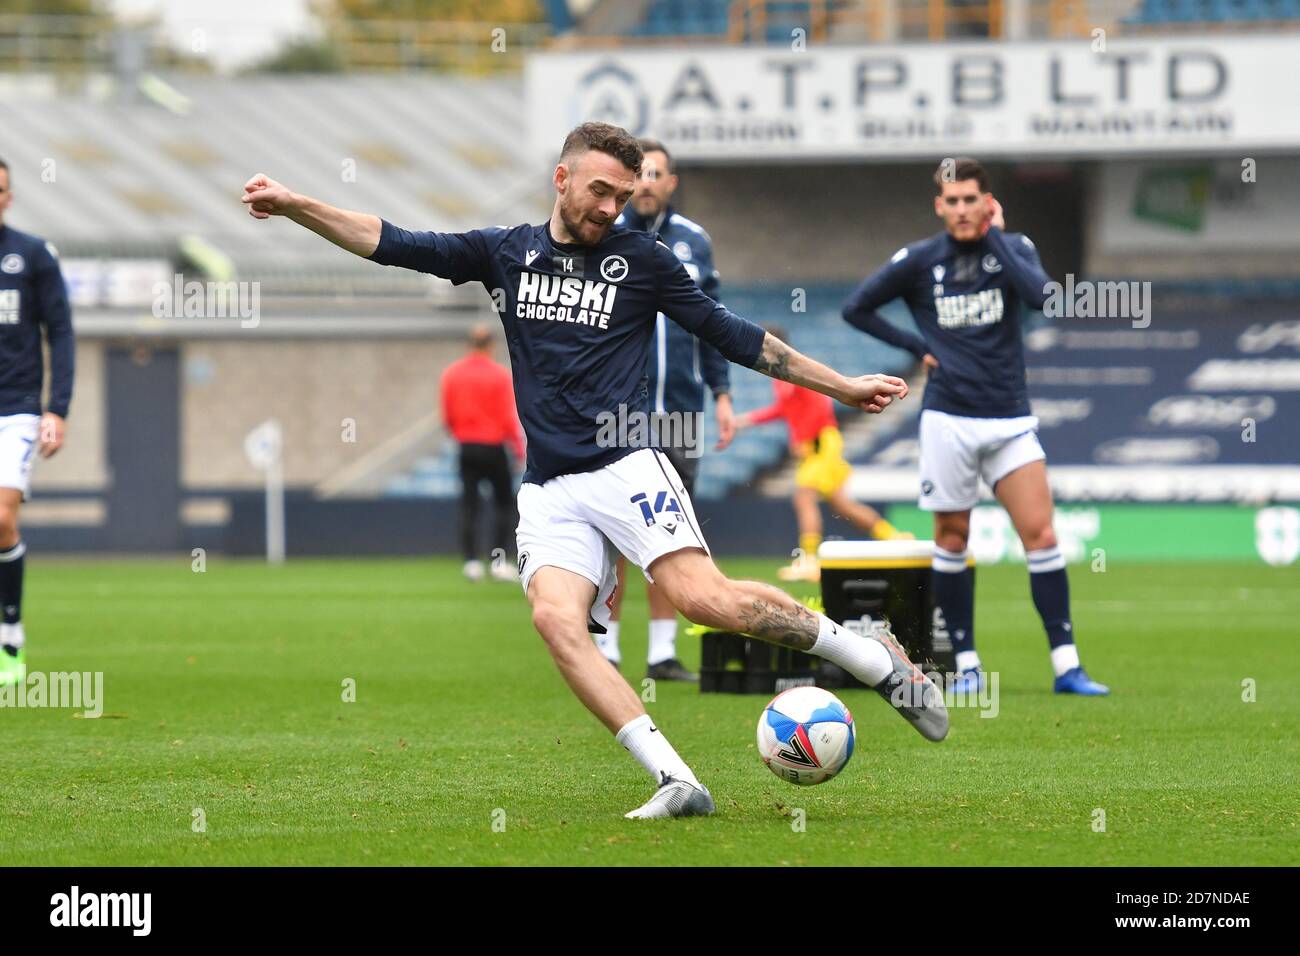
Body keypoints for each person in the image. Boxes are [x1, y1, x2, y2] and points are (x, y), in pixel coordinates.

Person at [242, 121, 948, 820]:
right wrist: (298, 203)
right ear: (562, 178)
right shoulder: (504, 253)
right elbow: (391, 242)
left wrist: (842, 387)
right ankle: (677, 780)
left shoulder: (643, 260)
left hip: (627, 466)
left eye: (624, 195)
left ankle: (871, 659)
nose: (612, 207)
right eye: (602, 191)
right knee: (555, 621)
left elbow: (733, 335)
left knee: (706, 602)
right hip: (549, 488)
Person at [841, 157, 1108, 696]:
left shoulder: (1014, 249)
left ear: (987, 203)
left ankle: (1067, 666)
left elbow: (1042, 298)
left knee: (1042, 535)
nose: (962, 209)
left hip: (1010, 419)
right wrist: (918, 347)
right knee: (952, 539)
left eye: (972, 199)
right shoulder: (919, 260)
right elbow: (858, 307)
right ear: (940, 206)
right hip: (948, 419)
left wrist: (1000, 237)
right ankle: (966, 665)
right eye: (953, 200)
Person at [602, 137, 735, 682]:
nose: (650, 182)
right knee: (612, 533)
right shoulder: (606, 236)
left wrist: (723, 393)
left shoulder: (694, 242)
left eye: (659, 173)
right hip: (617, 410)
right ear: (631, 180)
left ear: (671, 182)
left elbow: (713, 320)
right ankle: (605, 645)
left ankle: (662, 653)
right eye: (643, 173)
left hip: (681, 410)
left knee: (671, 532)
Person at [733, 324, 912, 583]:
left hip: (821, 443)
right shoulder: (780, 380)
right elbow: (783, 410)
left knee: (803, 497)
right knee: (844, 505)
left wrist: (805, 439)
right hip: (818, 445)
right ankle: (896, 539)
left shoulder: (795, 372)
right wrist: (748, 419)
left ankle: (809, 561)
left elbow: (820, 405)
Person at [0, 156, 75, 685]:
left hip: (17, 408)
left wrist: (58, 409)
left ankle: (10, 633)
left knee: (1, 518)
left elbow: (62, 331)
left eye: (2, 190)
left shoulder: (31, 255)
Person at [439, 322, 525, 582]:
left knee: (470, 505)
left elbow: (448, 415)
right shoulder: (499, 375)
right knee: (504, 505)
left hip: (466, 446)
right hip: (494, 446)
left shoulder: (452, 374)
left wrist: (461, 433)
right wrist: (519, 449)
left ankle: (471, 563)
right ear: (491, 344)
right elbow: (508, 417)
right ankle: (499, 563)